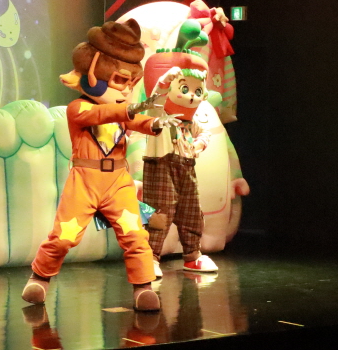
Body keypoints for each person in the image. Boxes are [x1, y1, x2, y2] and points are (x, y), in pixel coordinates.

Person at [21, 19, 179, 312]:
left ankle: (143, 287)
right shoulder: (79, 108)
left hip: (117, 181)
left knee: (135, 234)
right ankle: (40, 277)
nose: (126, 90)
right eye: (120, 80)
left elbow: (137, 120)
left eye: (131, 83)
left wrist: (156, 123)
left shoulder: (121, 111)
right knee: (65, 236)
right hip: (85, 180)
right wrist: (131, 109)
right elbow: (102, 115)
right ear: (93, 74)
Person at [140, 20, 219, 278]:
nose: (192, 95)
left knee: (191, 210)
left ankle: (192, 255)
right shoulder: (159, 114)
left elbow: (204, 132)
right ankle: (150, 257)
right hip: (161, 166)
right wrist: (164, 82)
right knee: (160, 211)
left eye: (197, 91)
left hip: (186, 167)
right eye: (185, 89)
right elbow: (155, 101)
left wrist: (199, 144)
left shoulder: (189, 122)